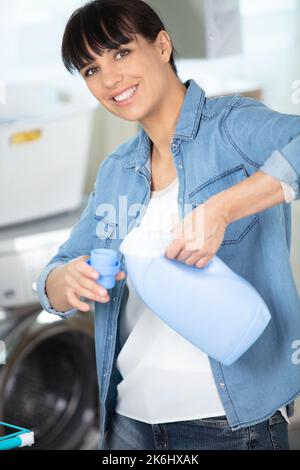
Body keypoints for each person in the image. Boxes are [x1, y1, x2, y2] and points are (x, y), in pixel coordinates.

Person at [37, 0, 300, 451]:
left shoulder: (232, 126)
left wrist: (222, 208)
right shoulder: (116, 172)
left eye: (121, 53)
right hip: (127, 420)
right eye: (90, 70)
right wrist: (66, 279)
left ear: (162, 46)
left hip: (226, 423)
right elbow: (54, 276)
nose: (110, 79)